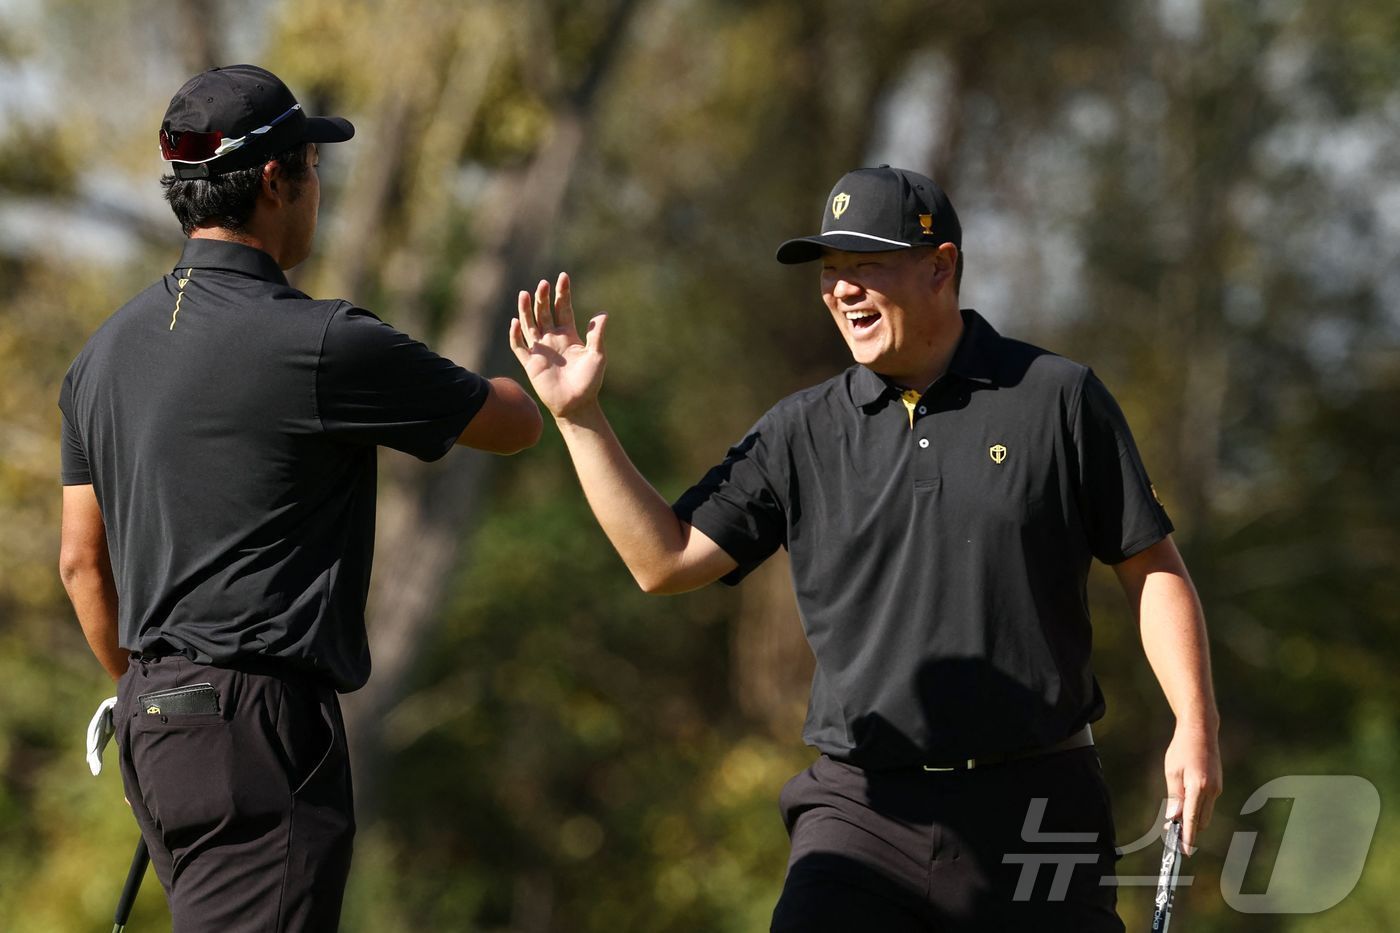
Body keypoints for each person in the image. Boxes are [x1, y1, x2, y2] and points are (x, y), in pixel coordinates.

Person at [509, 165, 1221, 930]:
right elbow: (665, 560)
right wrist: (580, 419)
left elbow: (1150, 568)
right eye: (831, 273)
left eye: (866, 266)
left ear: (940, 266)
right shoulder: (799, 431)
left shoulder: (1056, 397)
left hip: (1038, 801)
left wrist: (1195, 721)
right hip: (864, 810)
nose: (842, 290)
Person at [57, 64, 542, 931]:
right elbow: (508, 423)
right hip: (258, 730)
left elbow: (80, 563)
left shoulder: (99, 356)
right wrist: (544, 379)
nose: (322, 190)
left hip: (154, 725)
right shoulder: (320, 341)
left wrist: (150, 695)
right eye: (315, 170)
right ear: (276, 182)